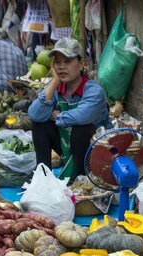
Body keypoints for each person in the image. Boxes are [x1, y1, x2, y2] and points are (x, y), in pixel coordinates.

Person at [27, 37, 110, 182]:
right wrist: (54, 82)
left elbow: (80, 117)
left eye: (68, 61)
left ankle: (77, 180)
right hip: (68, 146)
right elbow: (34, 114)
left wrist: (54, 116)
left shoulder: (93, 91)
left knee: (81, 128)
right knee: (40, 124)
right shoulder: (56, 89)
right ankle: (42, 177)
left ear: (81, 64)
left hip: (95, 153)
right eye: (57, 62)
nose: (61, 67)